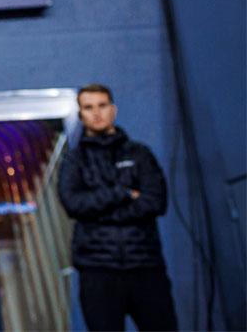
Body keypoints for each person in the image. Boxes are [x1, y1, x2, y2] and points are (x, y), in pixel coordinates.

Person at [58, 83, 178, 331]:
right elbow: (73, 204)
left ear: (113, 109)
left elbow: (155, 202)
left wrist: (98, 210)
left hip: (145, 266)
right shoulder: (74, 160)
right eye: (88, 107)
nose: (96, 112)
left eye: (102, 105)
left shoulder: (140, 154)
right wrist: (122, 193)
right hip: (97, 271)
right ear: (81, 115)